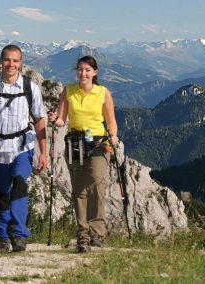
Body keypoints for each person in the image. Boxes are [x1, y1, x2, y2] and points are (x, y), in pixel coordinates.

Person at [0, 44, 47, 253]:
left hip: (23, 146)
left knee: (20, 186)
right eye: (7, 60)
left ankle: (19, 234)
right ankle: (3, 237)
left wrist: (43, 152)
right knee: (1, 193)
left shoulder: (29, 87)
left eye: (15, 60)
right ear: (1, 61)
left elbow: (40, 120)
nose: (11, 64)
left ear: (20, 63)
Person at [48, 55, 118, 253]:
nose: (83, 73)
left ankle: (97, 232)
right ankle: (83, 236)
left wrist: (113, 135)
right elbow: (62, 120)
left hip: (98, 143)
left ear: (94, 72)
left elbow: (111, 120)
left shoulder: (103, 93)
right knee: (78, 189)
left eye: (87, 70)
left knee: (96, 181)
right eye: (80, 69)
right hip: (75, 142)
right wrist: (55, 119)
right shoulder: (68, 91)